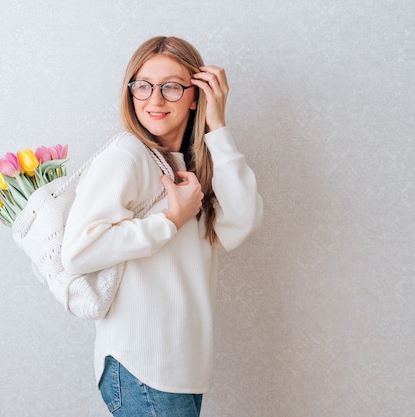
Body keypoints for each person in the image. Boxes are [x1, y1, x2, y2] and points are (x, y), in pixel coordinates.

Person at [61, 36, 263, 417]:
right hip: (142, 365)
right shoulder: (128, 155)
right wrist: (170, 220)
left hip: (182, 368)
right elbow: (78, 251)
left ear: (195, 95)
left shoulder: (192, 164)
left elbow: (242, 224)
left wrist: (217, 126)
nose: (154, 100)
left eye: (171, 87)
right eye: (143, 86)